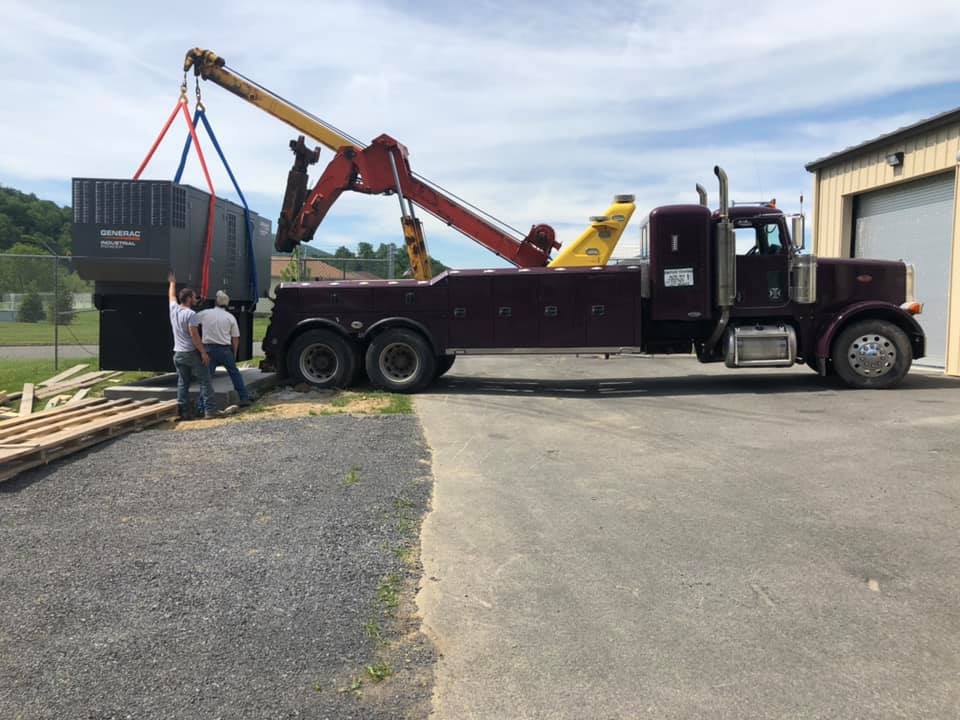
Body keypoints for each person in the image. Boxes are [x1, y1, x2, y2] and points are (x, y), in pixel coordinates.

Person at [168, 272, 217, 420]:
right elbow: (194, 335)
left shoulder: (174, 309)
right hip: (190, 352)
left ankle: (184, 412)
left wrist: (172, 283)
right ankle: (210, 411)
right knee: (205, 381)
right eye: (194, 297)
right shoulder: (191, 314)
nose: (196, 299)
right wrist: (203, 352)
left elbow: (171, 296)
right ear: (189, 298)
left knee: (183, 383)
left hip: (178, 353)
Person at [196, 290, 252, 409]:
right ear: (227, 304)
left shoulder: (205, 313)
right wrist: (234, 353)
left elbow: (192, 322)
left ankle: (201, 405)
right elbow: (235, 338)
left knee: (207, 378)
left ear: (216, 302)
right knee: (234, 374)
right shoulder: (230, 317)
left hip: (209, 349)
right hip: (225, 350)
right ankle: (244, 398)